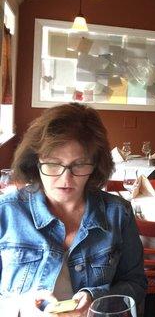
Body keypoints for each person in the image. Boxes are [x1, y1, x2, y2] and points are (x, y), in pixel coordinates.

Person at [0, 103, 147, 316]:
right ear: (35, 161)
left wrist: (97, 299)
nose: (65, 178)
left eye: (79, 164)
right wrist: (22, 307)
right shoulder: (6, 212)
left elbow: (136, 284)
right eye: (53, 163)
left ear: (95, 164)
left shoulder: (118, 213)